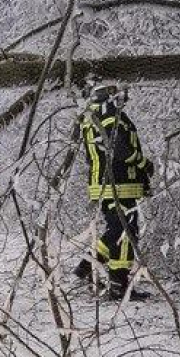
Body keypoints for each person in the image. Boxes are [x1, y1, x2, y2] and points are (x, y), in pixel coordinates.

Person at [71, 84, 152, 300]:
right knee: (125, 233)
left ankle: (91, 267)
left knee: (117, 230)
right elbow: (117, 147)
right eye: (118, 92)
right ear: (109, 93)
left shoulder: (92, 114)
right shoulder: (107, 113)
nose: (123, 95)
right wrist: (142, 163)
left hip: (108, 183)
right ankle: (116, 284)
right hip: (118, 182)